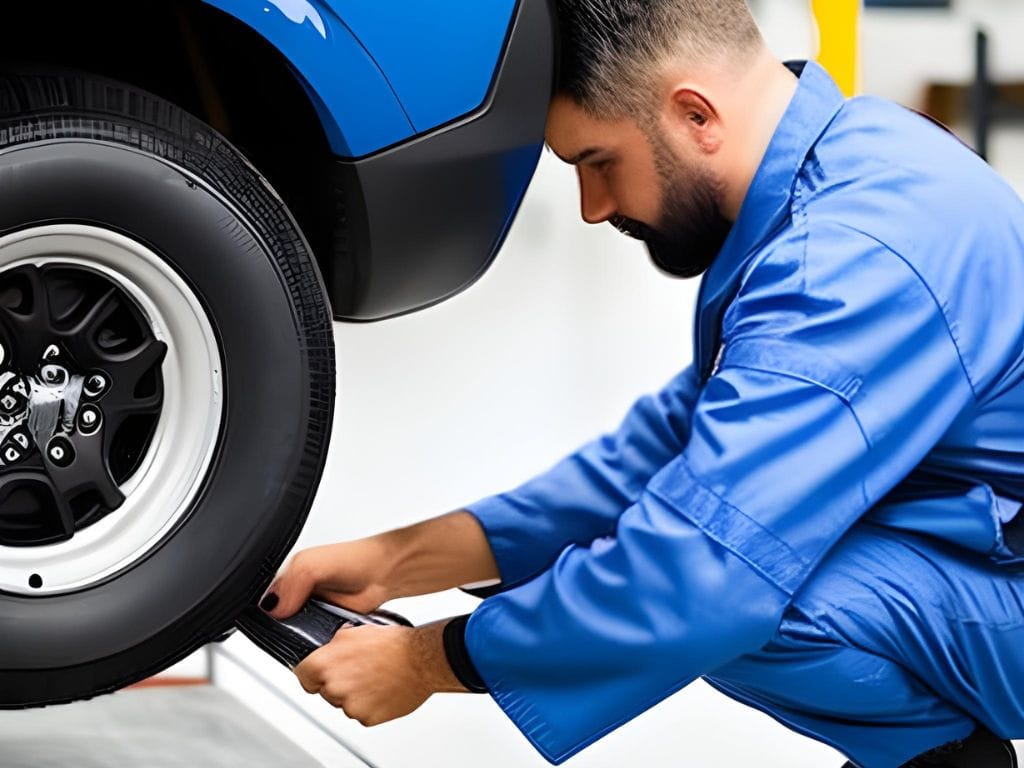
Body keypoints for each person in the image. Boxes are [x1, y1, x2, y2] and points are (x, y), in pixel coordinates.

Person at [257, 1, 1024, 766]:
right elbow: (660, 456)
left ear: (695, 114)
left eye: (597, 161)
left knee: (755, 594)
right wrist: (397, 560)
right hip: (984, 559)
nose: (594, 209)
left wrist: (426, 662)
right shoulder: (841, 170)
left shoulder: (847, 260)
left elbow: (703, 568)